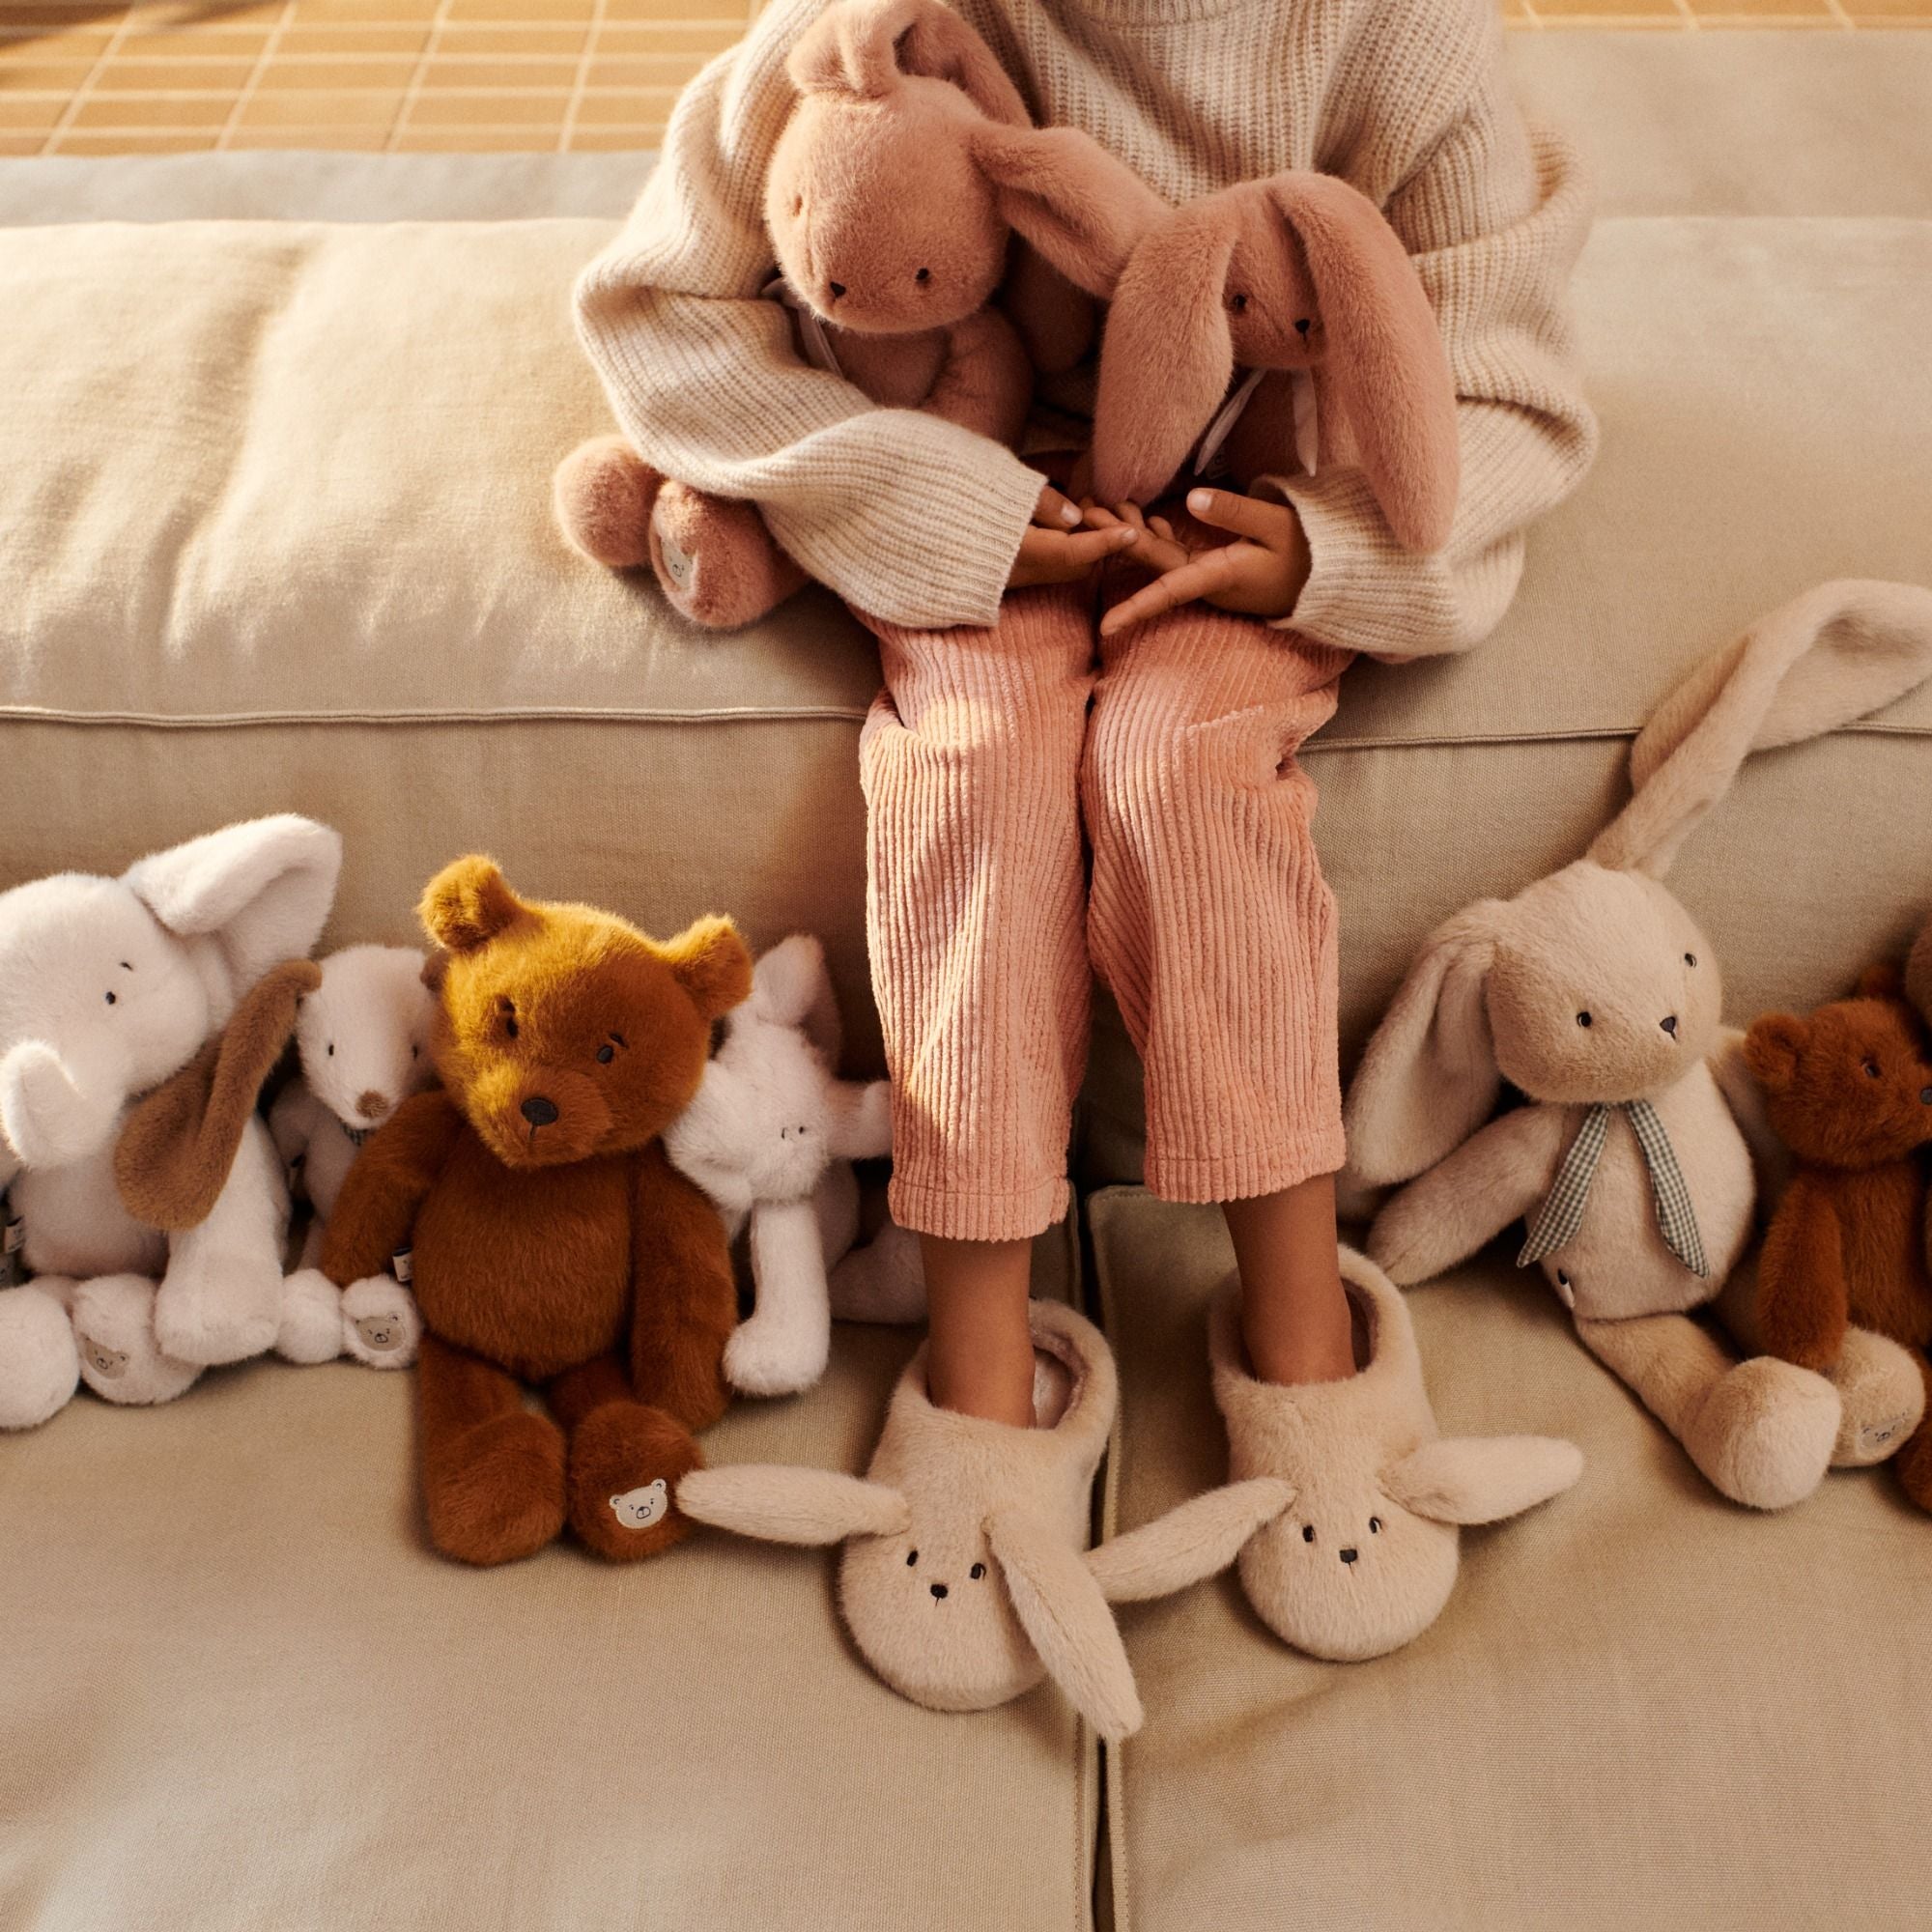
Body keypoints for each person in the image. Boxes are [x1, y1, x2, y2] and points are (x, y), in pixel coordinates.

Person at [576, 0, 1594, 1553]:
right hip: (958, 463)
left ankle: (1307, 1347)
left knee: (1178, 770)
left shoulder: (1403, 36)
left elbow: (1506, 379)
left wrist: (1324, 548)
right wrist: (939, 503)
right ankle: (980, 1373)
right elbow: (659, 305)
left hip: (1252, 507)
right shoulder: (870, 23)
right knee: (975, 771)